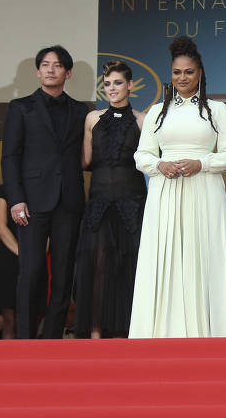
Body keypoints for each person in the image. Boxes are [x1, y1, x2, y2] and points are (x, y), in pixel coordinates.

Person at [129, 36, 226, 338]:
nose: (182, 78)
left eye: (188, 72)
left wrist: (201, 163)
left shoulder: (217, 111)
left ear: (200, 73)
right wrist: (160, 166)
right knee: (164, 256)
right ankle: (162, 332)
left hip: (204, 190)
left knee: (204, 256)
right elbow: (142, 155)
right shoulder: (156, 112)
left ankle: (209, 332)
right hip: (165, 192)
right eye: (177, 72)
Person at [1, 45, 88, 339]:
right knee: (32, 270)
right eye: (46, 65)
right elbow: (10, 156)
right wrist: (16, 200)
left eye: (58, 65)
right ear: (38, 71)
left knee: (63, 273)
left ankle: (52, 339)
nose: (51, 69)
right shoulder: (20, 107)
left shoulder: (80, 110)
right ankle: (25, 340)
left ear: (68, 72)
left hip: (69, 200)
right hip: (32, 201)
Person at [74, 61, 146, 339]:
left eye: (117, 83)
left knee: (129, 265)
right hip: (100, 202)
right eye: (107, 84)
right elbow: (86, 159)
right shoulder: (92, 119)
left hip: (133, 202)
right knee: (98, 265)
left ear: (129, 85)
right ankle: (95, 331)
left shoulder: (143, 120)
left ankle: (128, 331)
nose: (112, 88)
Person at [0, 183, 20, 339]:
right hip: (9, 257)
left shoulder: (40, 189)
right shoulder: (4, 189)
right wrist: (22, 253)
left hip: (35, 259)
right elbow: (0, 227)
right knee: (9, 322)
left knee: (31, 319)